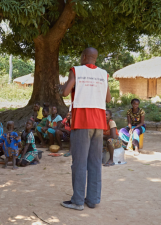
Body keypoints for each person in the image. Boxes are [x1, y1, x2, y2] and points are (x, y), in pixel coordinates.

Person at [58, 47, 111, 210]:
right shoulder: (104, 74)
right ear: (95, 58)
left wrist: (61, 87)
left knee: (79, 162)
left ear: (83, 57)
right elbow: (108, 98)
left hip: (82, 121)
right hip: (99, 122)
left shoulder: (76, 71)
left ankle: (78, 201)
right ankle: (93, 199)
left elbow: (66, 92)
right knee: (95, 161)